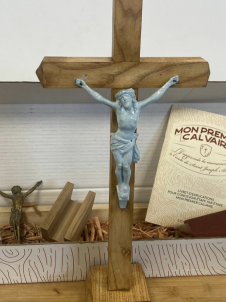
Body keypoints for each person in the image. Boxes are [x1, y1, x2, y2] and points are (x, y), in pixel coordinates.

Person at [75, 76, 179, 208]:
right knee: (119, 166)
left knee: (126, 166)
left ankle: (125, 185)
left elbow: (154, 97)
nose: (125, 101)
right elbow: (100, 98)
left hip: (129, 142)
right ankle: (120, 184)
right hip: (117, 141)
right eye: (122, 100)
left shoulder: (138, 107)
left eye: (127, 98)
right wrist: (85, 86)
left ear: (132, 98)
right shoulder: (118, 108)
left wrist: (168, 83)